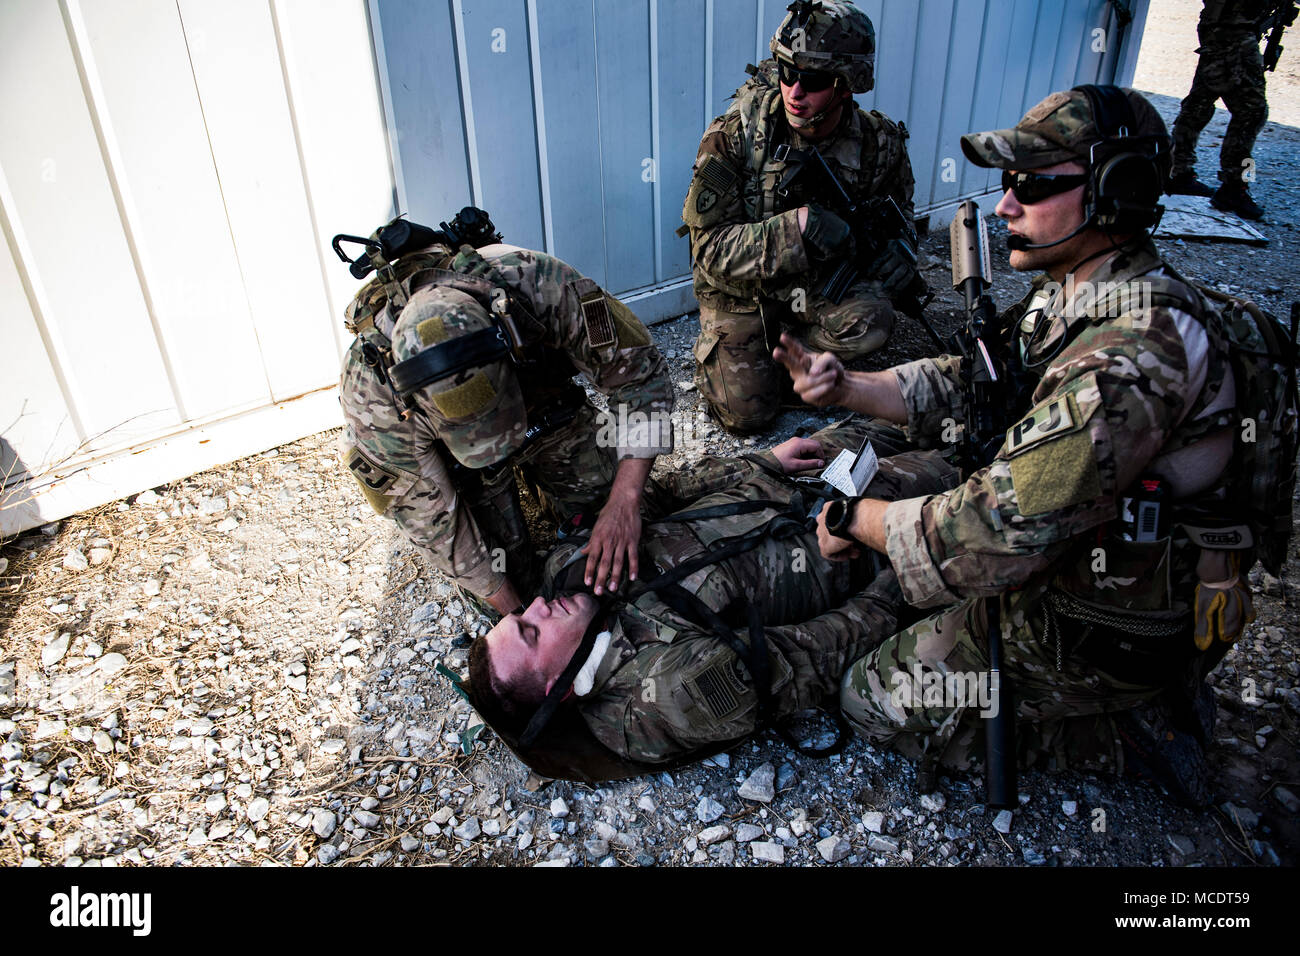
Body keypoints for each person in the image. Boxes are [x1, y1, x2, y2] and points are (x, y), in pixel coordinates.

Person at [777, 86, 1252, 805]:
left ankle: (1128, 728)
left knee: (871, 696)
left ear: (1115, 193)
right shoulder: (1078, 286)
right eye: (1007, 184)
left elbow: (994, 531)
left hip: (1109, 616)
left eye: (1032, 186)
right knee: (885, 544)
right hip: (1071, 546)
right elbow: (980, 380)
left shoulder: (1131, 357)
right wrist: (850, 387)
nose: (1005, 206)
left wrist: (859, 520)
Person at [466, 418, 957, 774]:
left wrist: (762, 461)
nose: (534, 604)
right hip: (857, 539)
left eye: (519, 614)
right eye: (531, 630)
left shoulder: (568, 574)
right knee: (962, 472)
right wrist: (903, 567)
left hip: (790, 478)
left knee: (911, 410)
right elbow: (819, 651)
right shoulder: (661, 694)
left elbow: (663, 494)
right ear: (562, 686)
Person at [338, 221, 673, 615]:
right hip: (466, 471)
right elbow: (433, 526)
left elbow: (639, 378)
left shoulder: (539, 285)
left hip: (547, 411)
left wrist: (624, 501)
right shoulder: (372, 395)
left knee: (633, 528)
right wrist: (518, 617)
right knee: (505, 579)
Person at [680, 0, 919, 433]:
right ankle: (749, 361)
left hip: (815, 286)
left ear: (846, 85)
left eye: (812, 80)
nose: (794, 91)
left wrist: (902, 251)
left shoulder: (878, 143)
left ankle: (794, 361)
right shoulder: (736, 135)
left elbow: (901, 212)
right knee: (747, 416)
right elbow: (708, 250)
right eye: (787, 73)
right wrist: (798, 228)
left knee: (872, 323)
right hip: (741, 291)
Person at [1167, 0, 1291, 220]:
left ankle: (1178, 171)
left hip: (1220, 27)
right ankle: (1234, 187)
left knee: (1199, 103)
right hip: (1235, 32)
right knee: (1252, 112)